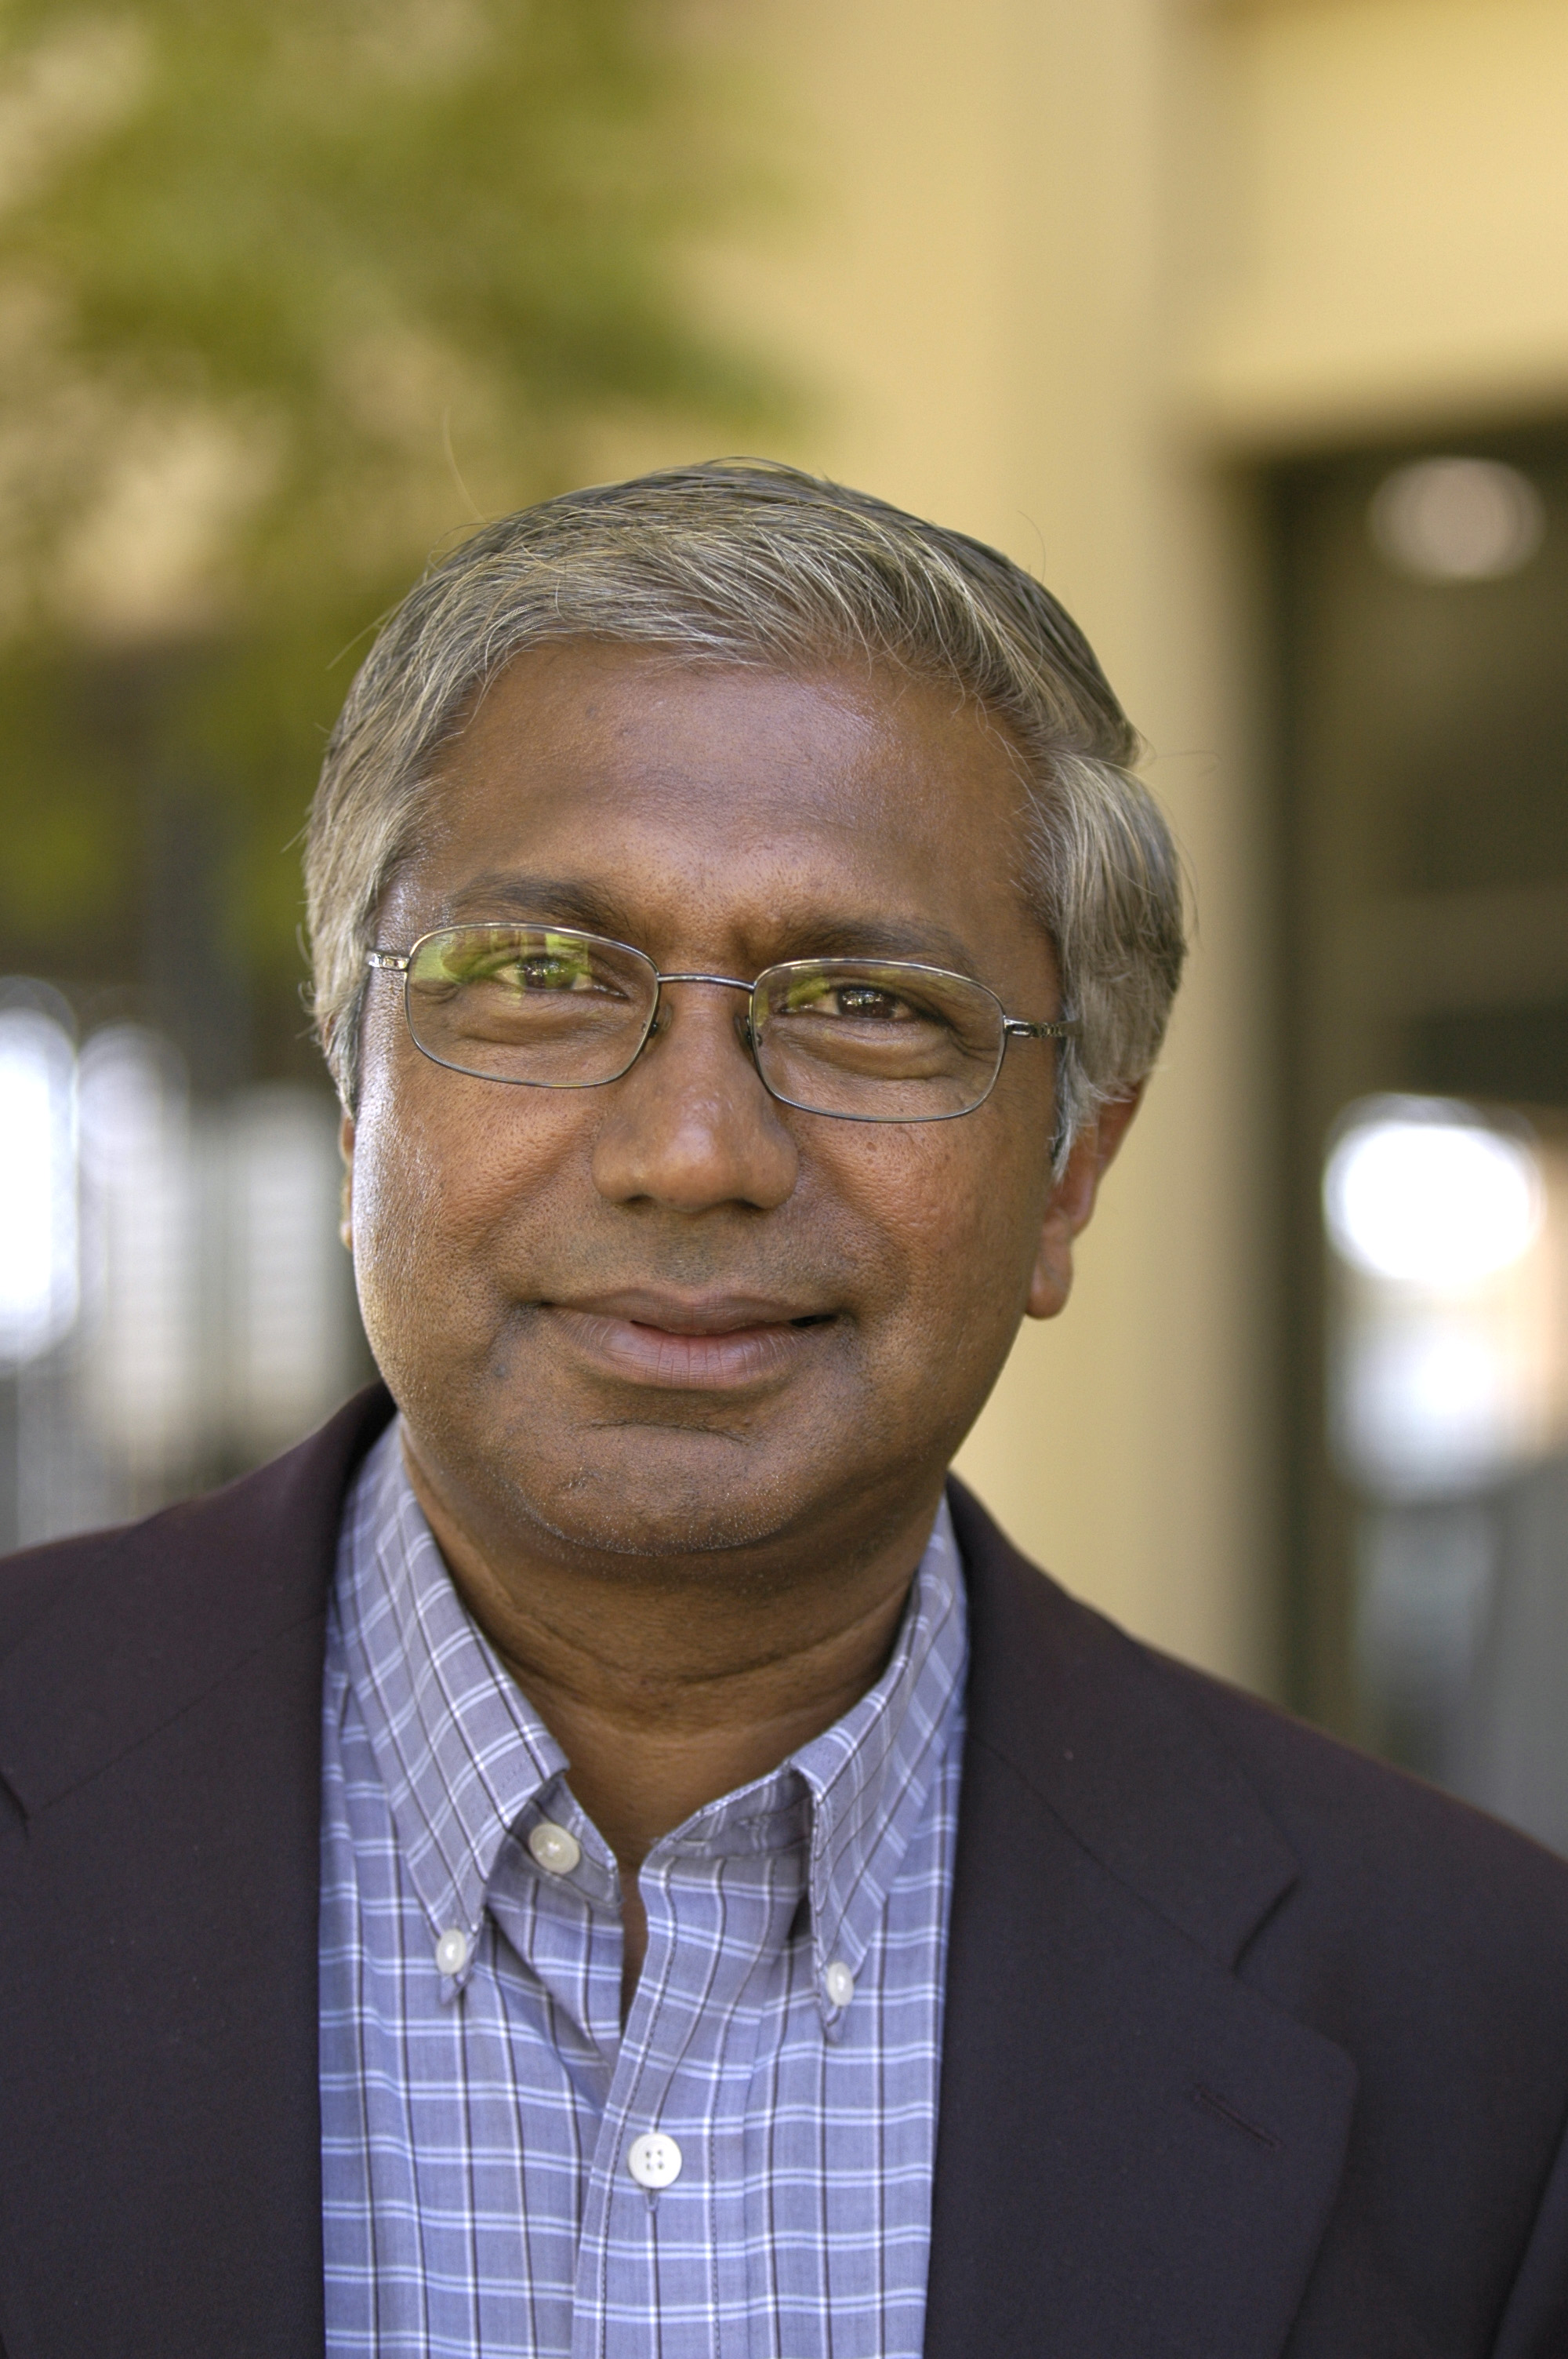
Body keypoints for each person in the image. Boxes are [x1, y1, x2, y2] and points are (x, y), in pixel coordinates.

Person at [1, 463, 1565, 2359]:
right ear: (357, 1098)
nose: (692, 1151)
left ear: (1069, 1172)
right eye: (544, 978)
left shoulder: (1478, 2020)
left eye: (867, 1008)